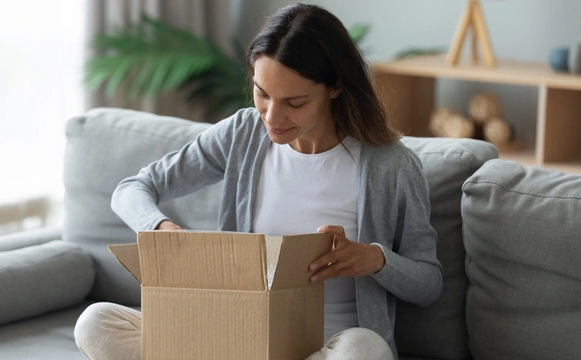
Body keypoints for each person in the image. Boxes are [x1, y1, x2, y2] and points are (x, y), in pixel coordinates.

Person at [74, 3, 442, 360]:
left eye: (295, 103)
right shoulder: (243, 134)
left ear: (335, 88)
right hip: (235, 333)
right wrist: (161, 229)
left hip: (331, 345)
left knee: (365, 351)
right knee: (96, 323)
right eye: (262, 94)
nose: (273, 116)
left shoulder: (390, 165)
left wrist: (374, 259)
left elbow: (428, 283)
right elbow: (132, 189)